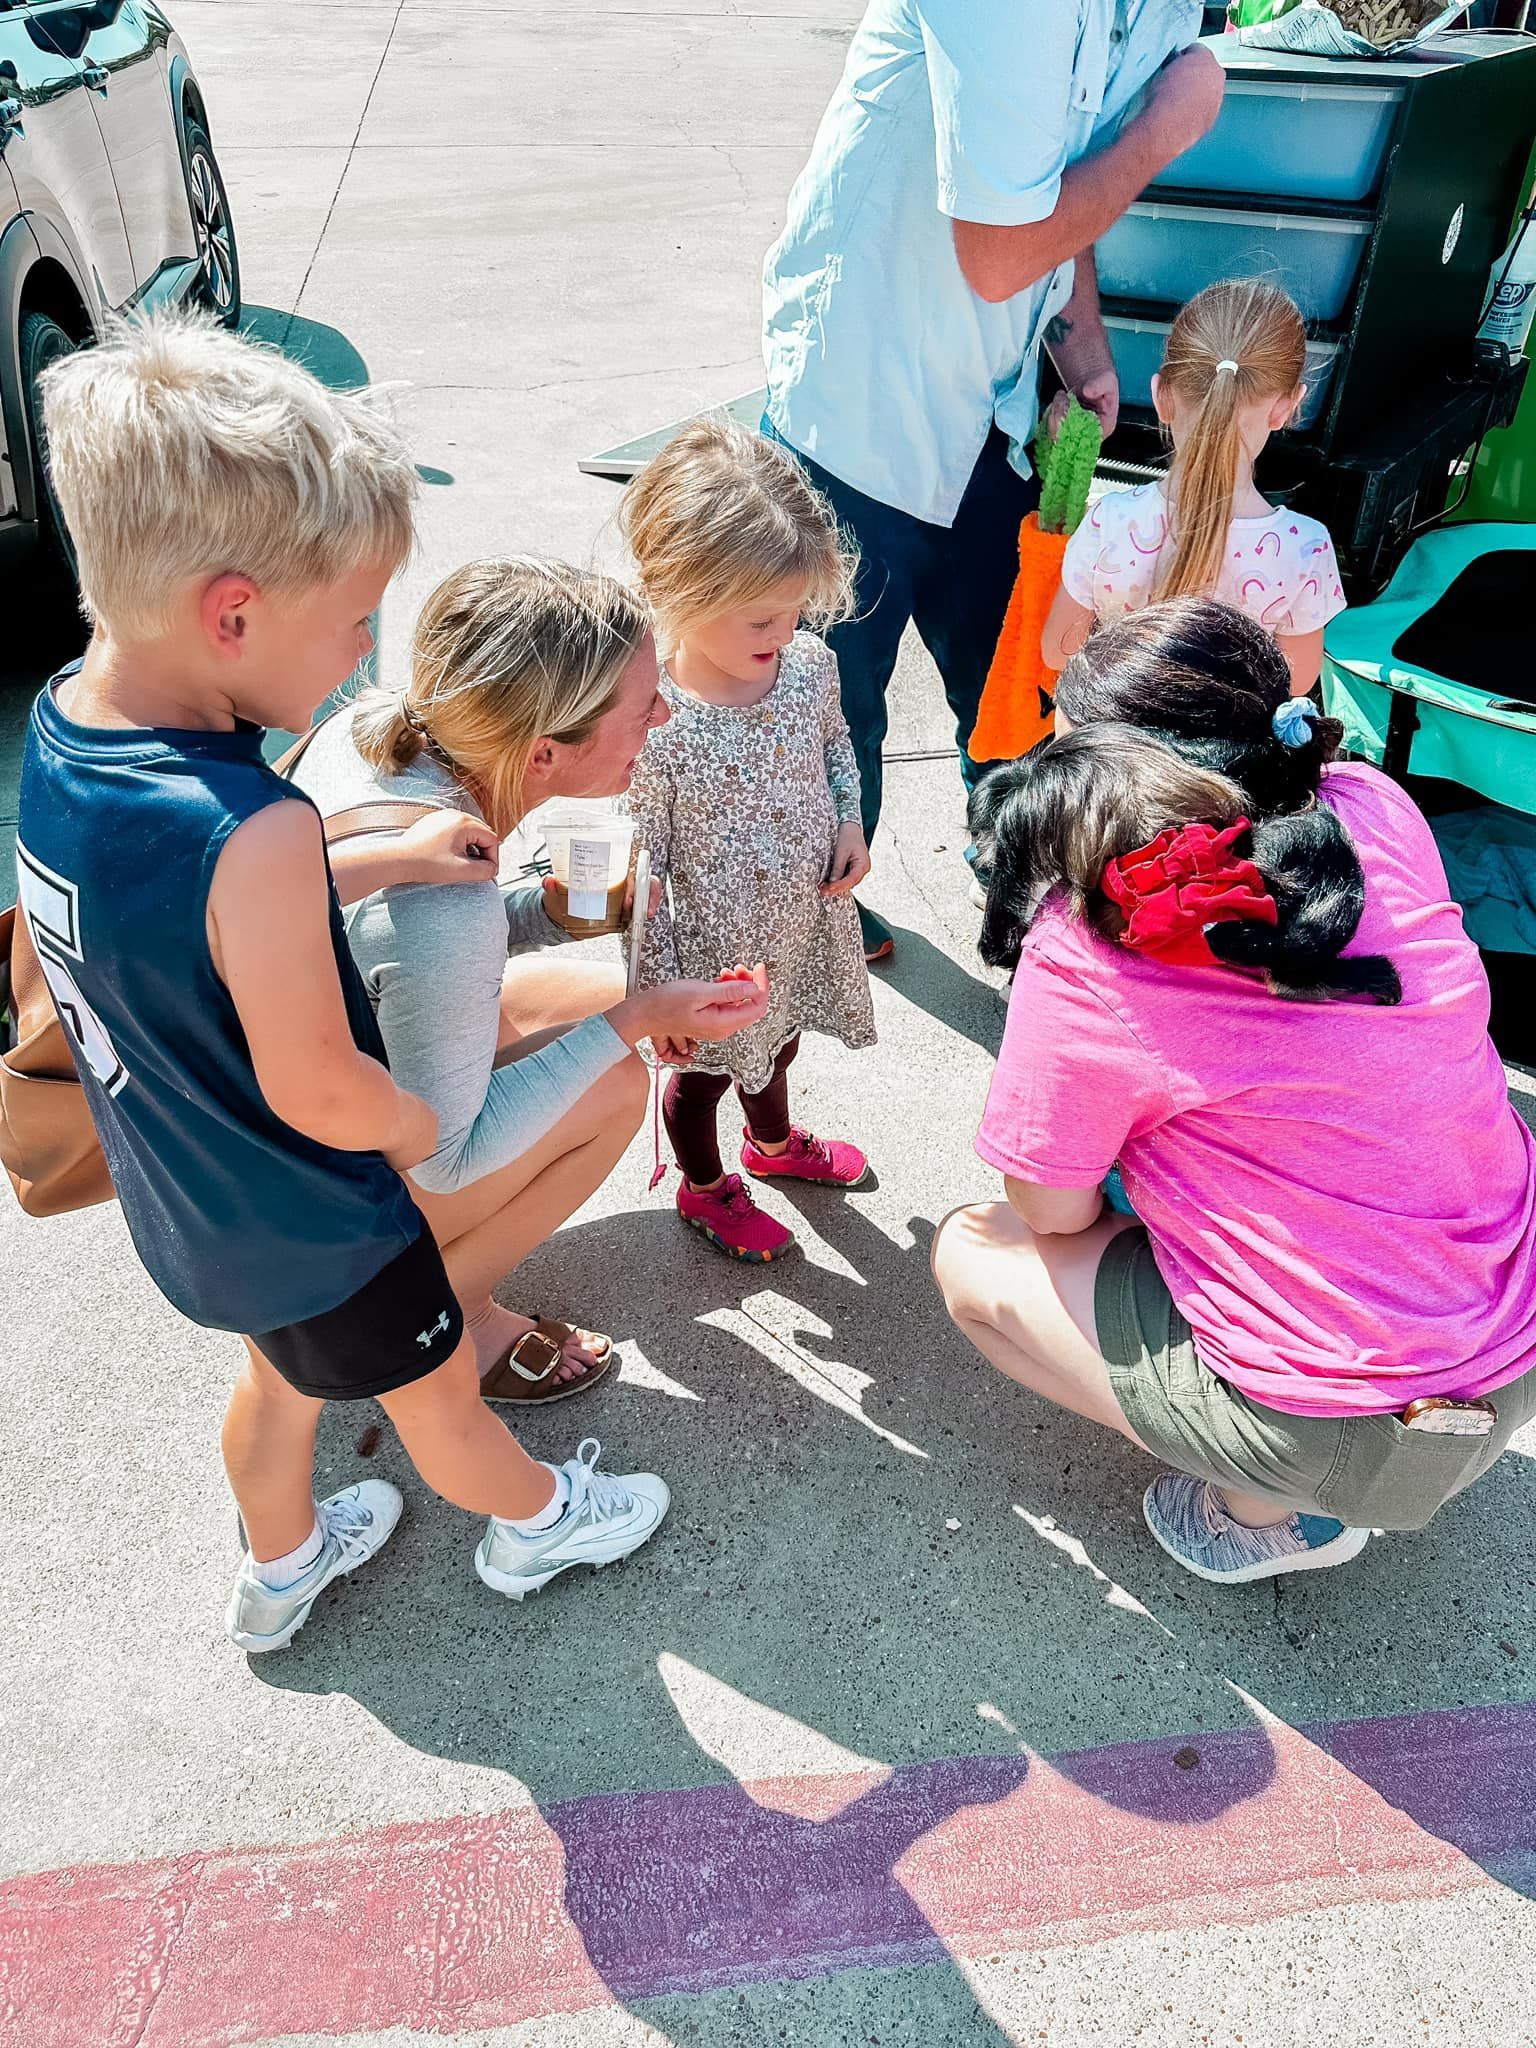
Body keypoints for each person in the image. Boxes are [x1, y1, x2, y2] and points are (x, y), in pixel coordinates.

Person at [21, 314, 764, 1653]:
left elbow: (198, 922)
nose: (371, 650)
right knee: (440, 1410)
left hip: (193, 1211)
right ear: (233, 612)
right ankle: (540, 1526)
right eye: (356, 617)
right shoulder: (258, 831)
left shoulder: (70, 726)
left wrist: (388, 860)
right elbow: (322, 1081)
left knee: (269, 1399)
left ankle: (283, 1567)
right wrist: (415, 1123)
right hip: (329, 1229)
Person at [933, 599, 1536, 1584]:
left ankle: (1262, 1511)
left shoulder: (1087, 943)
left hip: (1335, 1424)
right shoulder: (1370, 802)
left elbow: (1046, 1209)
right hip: (1514, 1334)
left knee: (975, 1252)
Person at [762, 0, 1224, 961]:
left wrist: (1079, 327)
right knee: (831, 711)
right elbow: (1002, 248)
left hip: (993, 403)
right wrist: (1161, 132)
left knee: (1021, 681)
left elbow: (1057, 173)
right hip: (863, 401)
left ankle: (1031, 911)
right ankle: (812, 918)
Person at [291, 554, 779, 1381]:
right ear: (546, 755)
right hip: (320, 1209)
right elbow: (445, 1157)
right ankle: (445, 1322)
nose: (663, 716)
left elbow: (387, 958)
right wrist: (636, 1022)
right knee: (617, 1077)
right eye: (642, 706)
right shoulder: (444, 913)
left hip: (313, 1089)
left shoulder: (378, 727)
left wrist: (547, 917)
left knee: (604, 999)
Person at [620, 418, 877, 1263]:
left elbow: (838, 744)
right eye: (759, 616)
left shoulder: (807, 665)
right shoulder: (656, 722)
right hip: (708, 952)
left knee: (786, 1035)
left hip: (800, 925)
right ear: (680, 595)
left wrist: (849, 821)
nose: (784, 629)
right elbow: (642, 870)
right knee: (702, 1080)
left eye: (795, 606)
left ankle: (771, 1145)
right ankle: (704, 1186)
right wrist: (655, 994)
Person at [1042, 280, 1346, 693]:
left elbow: (1057, 651)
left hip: (1121, 753)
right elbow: (1295, 683)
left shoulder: (1110, 521)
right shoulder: (1306, 549)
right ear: (1286, 408)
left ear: (1161, 397)